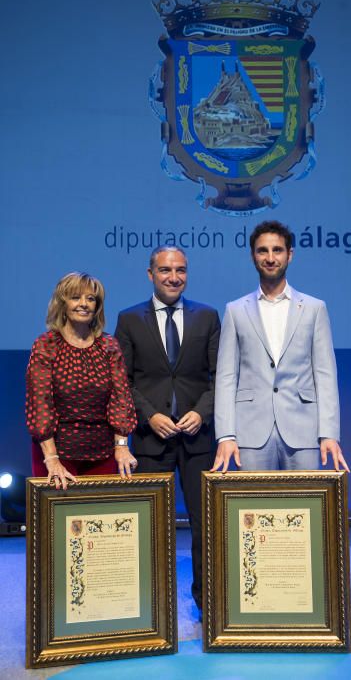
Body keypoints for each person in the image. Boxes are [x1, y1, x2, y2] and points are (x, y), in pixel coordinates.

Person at [115, 246, 220, 612]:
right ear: (150, 275)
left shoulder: (207, 316)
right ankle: (150, 608)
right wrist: (148, 416)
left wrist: (202, 413)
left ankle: (207, 603)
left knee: (205, 525)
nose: (173, 277)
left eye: (180, 270)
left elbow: (221, 377)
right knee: (150, 528)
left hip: (197, 440)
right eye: (165, 270)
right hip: (150, 440)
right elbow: (122, 382)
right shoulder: (128, 320)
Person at [212, 220, 349, 474]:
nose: (270, 257)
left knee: (307, 507)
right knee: (251, 509)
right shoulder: (235, 310)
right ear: (253, 256)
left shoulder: (313, 308)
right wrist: (226, 435)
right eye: (263, 250)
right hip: (250, 431)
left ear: (290, 255)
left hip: (303, 429)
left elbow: (325, 375)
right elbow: (226, 377)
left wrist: (329, 433)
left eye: (277, 250)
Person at [26, 272, 138, 490]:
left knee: (101, 518)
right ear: (63, 303)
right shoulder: (46, 345)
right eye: (76, 297)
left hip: (103, 452)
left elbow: (121, 400)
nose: (84, 304)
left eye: (91, 298)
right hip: (56, 453)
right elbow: (40, 405)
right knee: (57, 521)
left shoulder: (108, 345)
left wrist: (122, 446)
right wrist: (51, 458)